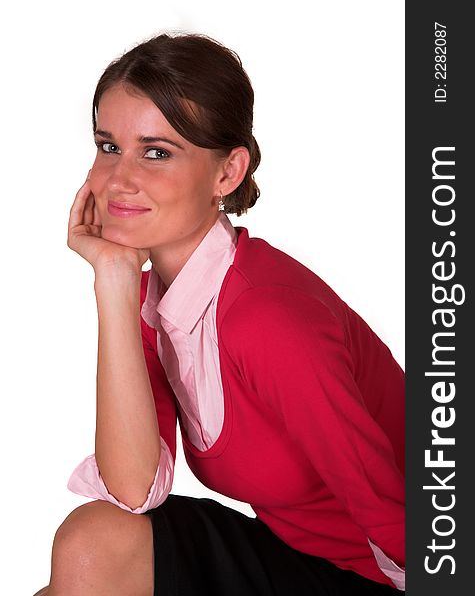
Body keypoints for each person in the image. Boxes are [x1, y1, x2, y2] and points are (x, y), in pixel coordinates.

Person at [34, 32, 405, 596]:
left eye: (156, 152)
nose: (117, 179)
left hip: (389, 574)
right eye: (109, 146)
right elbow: (133, 491)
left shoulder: (266, 319)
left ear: (228, 173)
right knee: (94, 545)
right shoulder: (153, 301)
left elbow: (402, 516)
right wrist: (112, 281)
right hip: (299, 561)